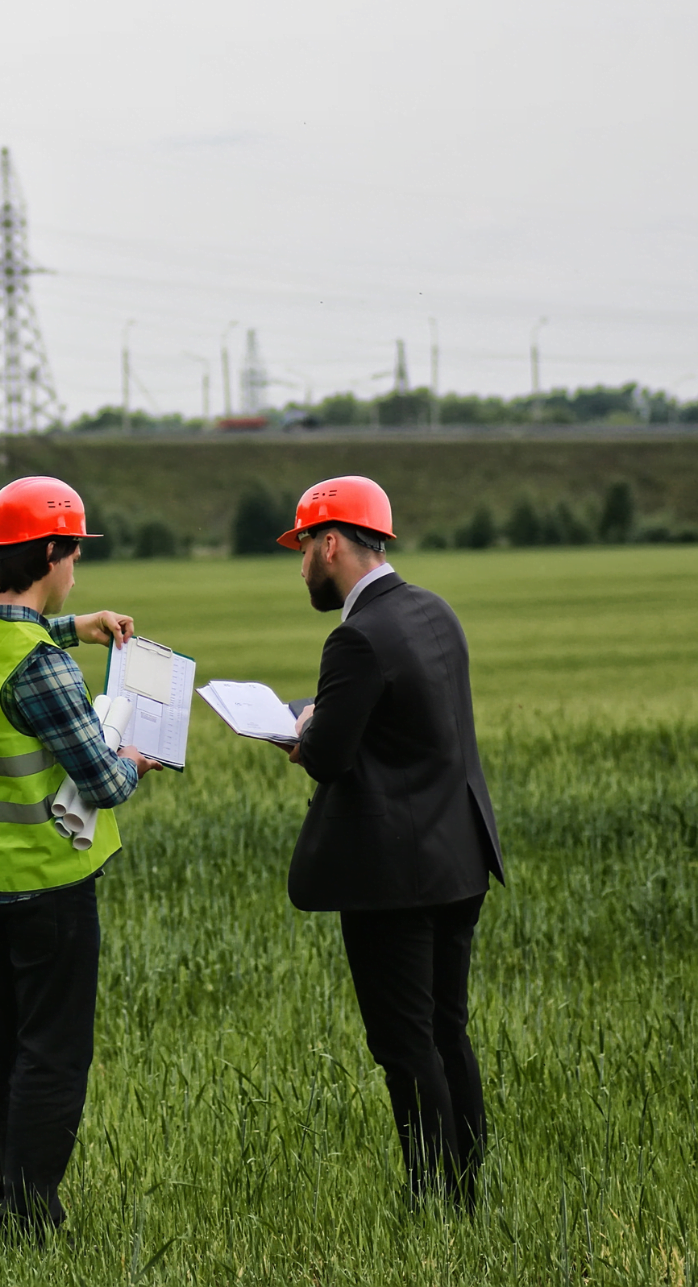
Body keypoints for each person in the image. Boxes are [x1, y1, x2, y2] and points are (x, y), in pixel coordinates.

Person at [0, 475, 162, 1239]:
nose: (75, 572)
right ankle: (28, 1216)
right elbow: (104, 781)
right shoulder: (40, 665)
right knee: (52, 1052)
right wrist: (136, 755)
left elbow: (9, 649)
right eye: (73, 557)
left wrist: (75, 627)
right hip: (47, 882)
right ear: (53, 553)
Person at [277, 475, 504, 1209]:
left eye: (304, 546)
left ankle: (432, 1198)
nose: (302, 562)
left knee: (404, 1046)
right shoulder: (434, 611)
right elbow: (406, 727)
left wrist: (305, 730)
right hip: (459, 855)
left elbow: (332, 757)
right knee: (448, 1031)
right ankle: (467, 1191)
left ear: (332, 543)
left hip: (392, 877)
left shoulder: (356, 635)